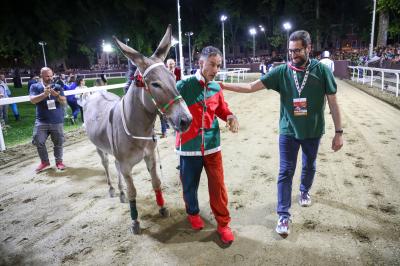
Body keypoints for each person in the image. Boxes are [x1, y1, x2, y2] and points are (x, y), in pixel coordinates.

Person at [220, 30, 343, 236]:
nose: (293, 54)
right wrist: (222, 85)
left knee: (309, 165)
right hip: (288, 131)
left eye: (298, 50)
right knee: (285, 171)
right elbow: (251, 87)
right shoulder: (281, 72)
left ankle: (304, 190)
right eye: (291, 51)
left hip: (313, 130)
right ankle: (283, 215)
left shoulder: (321, 71)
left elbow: (333, 102)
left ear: (309, 48)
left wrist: (339, 132)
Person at [175, 46, 239, 244]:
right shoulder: (183, 86)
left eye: (218, 65)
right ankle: (193, 213)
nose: (216, 69)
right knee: (189, 185)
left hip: (212, 146)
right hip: (188, 146)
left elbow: (221, 108)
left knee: (218, 186)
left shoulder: (216, 88)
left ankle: (223, 224)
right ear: (200, 63)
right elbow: (165, 105)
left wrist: (229, 116)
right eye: (212, 64)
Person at [29, 67, 67, 173]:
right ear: (41, 75)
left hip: (57, 119)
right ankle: (44, 161)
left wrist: (57, 95)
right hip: (42, 120)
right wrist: (44, 94)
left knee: (58, 142)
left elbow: (64, 101)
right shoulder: (35, 86)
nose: (50, 78)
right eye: (47, 76)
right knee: (38, 140)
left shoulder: (57, 86)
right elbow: (32, 100)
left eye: (51, 75)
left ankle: (59, 162)